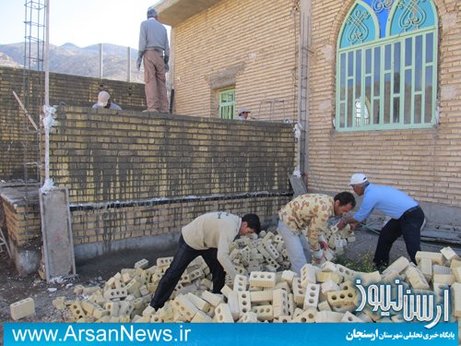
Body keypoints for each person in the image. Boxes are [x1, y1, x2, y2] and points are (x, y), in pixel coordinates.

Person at [149, 211, 261, 310]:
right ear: (245, 224)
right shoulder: (230, 227)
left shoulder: (235, 221)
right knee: (174, 273)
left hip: (207, 243)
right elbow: (222, 256)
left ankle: (217, 297)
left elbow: (222, 254)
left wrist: (255, 237)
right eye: (249, 231)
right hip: (191, 240)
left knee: (218, 269)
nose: (247, 234)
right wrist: (237, 278)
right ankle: (155, 305)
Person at [338, 173, 425, 270]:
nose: (353, 190)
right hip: (403, 216)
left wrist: (345, 221)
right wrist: (354, 223)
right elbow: (366, 213)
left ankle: (424, 271)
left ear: (359, 186)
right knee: (385, 236)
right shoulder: (374, 190)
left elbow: (360, 216)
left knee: (412, 245)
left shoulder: (371, 195)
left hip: (412, 215)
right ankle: (380, 266)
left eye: (353, 187)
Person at [277, 192, 356, 273]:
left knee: (306, 252)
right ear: (337, 203)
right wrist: (318, 253)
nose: (343, 214)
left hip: (296, 224)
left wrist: (321, 240)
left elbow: (317, 226)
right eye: (344, 210)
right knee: (299, 259)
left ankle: (307, 274)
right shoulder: (325, 211)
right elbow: (312, 233)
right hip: (287, 223)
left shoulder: (329, 200)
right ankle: (300, 281)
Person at [137, 6, 170, 113]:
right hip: (160, 55)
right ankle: (164, 108)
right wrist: (166, 60)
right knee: (161, 82)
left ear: (147, 16)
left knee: (150, 80)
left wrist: (139, 57)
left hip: (149, 53)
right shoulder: (163, 28)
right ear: (156, 17)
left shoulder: (144, 24)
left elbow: (142, 43)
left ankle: (153, 107)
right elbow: (167, 47)